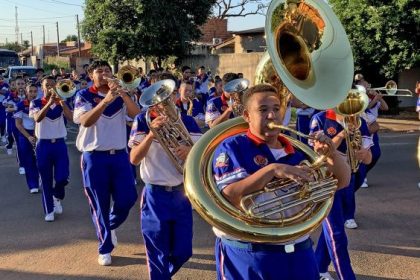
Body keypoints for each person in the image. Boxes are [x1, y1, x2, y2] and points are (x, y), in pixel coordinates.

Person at [212, 84, 351, 280]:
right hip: (251, 253)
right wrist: (273, 170)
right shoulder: (233, 146)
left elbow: (343, 181)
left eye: (276, 109)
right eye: (263, 110)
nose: (272, 115)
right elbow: (230, 195)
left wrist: (332, 153)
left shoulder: (299, 150)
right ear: (246, 115)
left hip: (300, 250)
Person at [129, 75, 202, 279]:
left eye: (166, 97)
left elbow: (203, 155)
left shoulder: (188, 121)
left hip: (181, 194)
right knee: (156, 253)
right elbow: (134, 159)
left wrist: (191, 150)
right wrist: (152, 135)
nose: (162, 104)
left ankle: (163, 275)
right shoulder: (142, 121)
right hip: (155, 195)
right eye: (158, 99)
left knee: (183, 251)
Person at [73, 60, 139, 266]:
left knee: (128, 198)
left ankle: (108, 228)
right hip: (94, 156)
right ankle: (105, 247)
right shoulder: (83, 95)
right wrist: (105, 101)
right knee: (99, 205)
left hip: (119, 155)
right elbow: (85, 121)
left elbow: (136, 116)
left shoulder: (121, 95)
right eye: (99, 71)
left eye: (108, 71)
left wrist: (122, 93)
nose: (104, 74)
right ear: (91, 75)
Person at [310, 107, 372, 280]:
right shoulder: (320, 118)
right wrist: (342, 134)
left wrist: (364, 155)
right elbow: (317, 153)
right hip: (327, 182)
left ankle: (319, 268)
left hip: (349, 180)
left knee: (331, 230)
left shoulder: (360, 120)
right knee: (336, 234)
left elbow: (369, 158)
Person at [29, 76, 72, 222]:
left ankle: (57, 196)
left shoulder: (61, 102)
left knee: (62, 177)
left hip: (59, 144)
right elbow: (37, 118)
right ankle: (49, 210)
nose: (50, 88)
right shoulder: (35, 102)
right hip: (43, 145)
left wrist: (61, 102)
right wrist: (49, 103)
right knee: (46, 180)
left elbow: (71, 118)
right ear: (42, 88)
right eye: (47, 85)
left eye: (53, 85)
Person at [354, 74, 388, 188]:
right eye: (360, 82)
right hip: (363, 127)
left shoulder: (372, 96)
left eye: (364, 82)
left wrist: (380, 98)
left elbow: (385, 108)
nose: (364, 84)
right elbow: (365, 107)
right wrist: (375, 100)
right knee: (362, 154)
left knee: (376, 154)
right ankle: (361, 177)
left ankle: (363, 174)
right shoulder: (358, 96)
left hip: (372, 127)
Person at [14, 83, 40, 193]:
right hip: (25, 135)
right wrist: (29, 137)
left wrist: (36, 134)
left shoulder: (41, 104)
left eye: (35, 91)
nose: (33, 94)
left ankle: (39, 179)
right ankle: (33, 185)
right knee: (28, 160)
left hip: (39, 134)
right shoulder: (20, 105)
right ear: (26, 92)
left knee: (40, 160)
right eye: (31, 91)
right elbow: (18, 124)